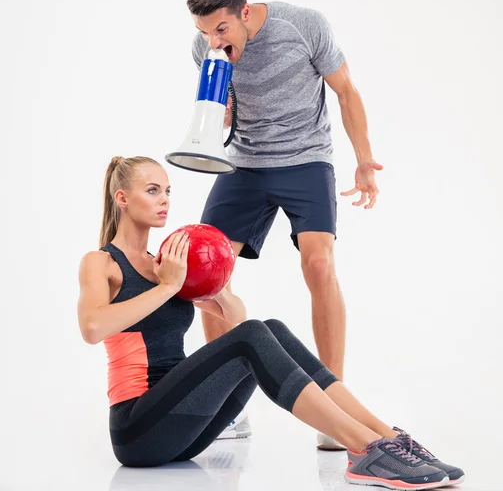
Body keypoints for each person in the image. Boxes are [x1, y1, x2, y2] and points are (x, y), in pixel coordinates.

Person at [77, 156, 464, 489]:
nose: (164, 201)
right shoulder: (102, 262)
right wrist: (168, 288)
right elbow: (92, 328)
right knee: (252, 337)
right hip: (138, 431)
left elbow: (239, 321)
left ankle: (386, 437)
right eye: (153, 191)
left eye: (167, 191)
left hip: (183, 427)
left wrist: (212, 285)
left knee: (270, 328)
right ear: (122, 198)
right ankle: (363, 449)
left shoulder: (164, 262)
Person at [188, 0, 383, 448]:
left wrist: (363, 161)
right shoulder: (204, 51)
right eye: (203, 32)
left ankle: (333, 407)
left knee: (318, 265)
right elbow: (221, 116)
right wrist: (222, 114)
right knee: (209, 273)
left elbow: (346, 91)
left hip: (305, 160)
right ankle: (226, 408)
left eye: (221, 29)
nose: (212, 41)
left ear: (245, 13)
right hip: (246, 166)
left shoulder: (304, 26)